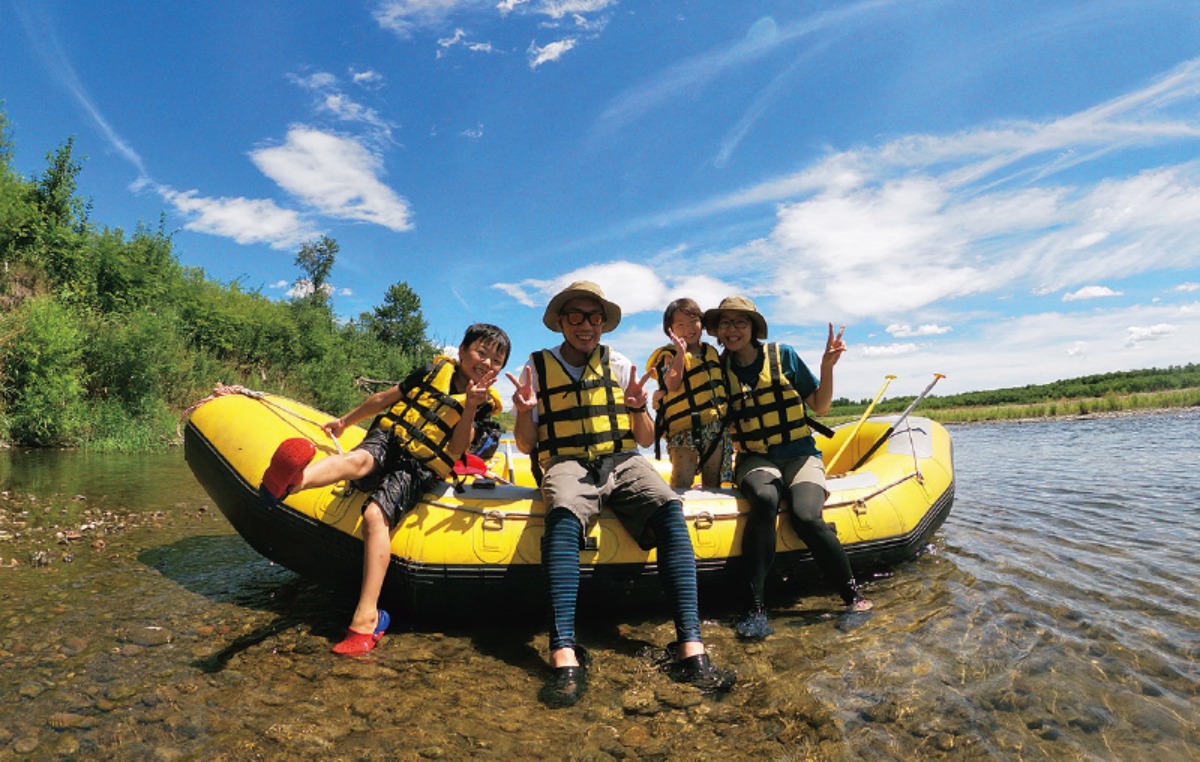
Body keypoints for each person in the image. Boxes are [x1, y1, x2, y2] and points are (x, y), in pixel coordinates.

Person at [507, 281, 735, 708]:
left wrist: (636, 408)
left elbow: (646, 438)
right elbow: (524, 444)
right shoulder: (535, 368)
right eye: (575, 316)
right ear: (560, 322)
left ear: (603, 323)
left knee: (669, 506)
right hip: (567, 462)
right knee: (563, 516)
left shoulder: (621, 364)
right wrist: (522, 412)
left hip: (622, 460)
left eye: (594, 317)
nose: (585, 326)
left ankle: (690, 648)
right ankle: (564, 652)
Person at [259, 323, 510, 655]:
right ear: (462, 351)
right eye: (481, 352)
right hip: (391, 439)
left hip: (420, 466)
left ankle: (366, 616)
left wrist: (469, 408)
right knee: (359, 459)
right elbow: (385, 399)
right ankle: (292, 482)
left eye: (496, 360)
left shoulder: (483, 405)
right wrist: (345, 421)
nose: (487, 362)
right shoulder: (431, 371)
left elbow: (456, 449)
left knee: (376, 515)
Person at [704, 296, 871, 641]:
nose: (732, 329)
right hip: (755, 458)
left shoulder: (783, 356)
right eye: (725, 323)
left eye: (740, 322)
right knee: (764, 500)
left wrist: (827, 366)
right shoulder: (718, 370)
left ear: (753, 328)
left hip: (800, 455)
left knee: (806, 516)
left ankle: (854, 599)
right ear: (718, 332)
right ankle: (755, 608)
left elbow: (821, 407)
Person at [645, 298, 729, 489]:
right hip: (683, 432)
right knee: (682, 481)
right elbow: (672, 384)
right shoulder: (669, 356)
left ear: (702, 323)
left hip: (715, 428)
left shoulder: (711, 352)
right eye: (680, 325)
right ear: (670, 330)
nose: (688, 329)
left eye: (693, 322)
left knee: (713, 482)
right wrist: (681, 355)